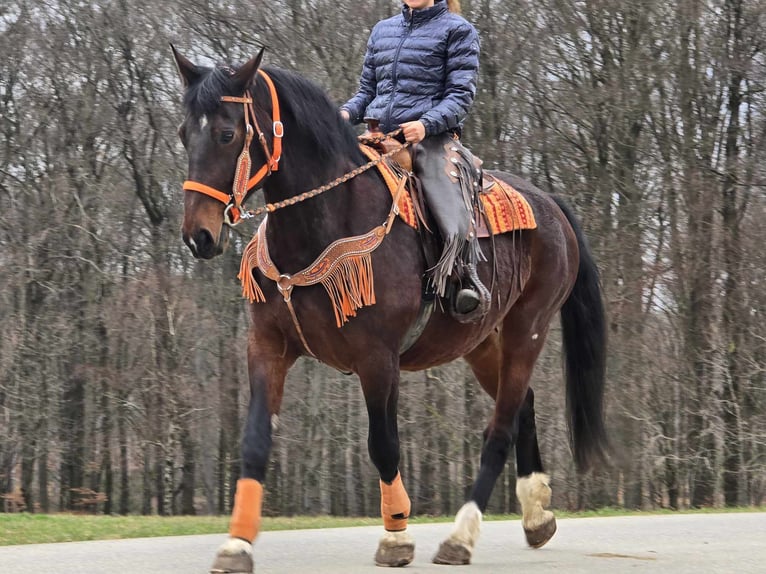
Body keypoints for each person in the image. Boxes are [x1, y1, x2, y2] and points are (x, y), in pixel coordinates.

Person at [340, 0, 489, 320]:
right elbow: (366, 93)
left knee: (446, 201)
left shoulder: (458, 31)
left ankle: (463, 277)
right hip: (378, 136)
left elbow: (460, 96)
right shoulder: (383, 30)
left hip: (431, 140)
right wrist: (343, 114)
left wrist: (425, 124)